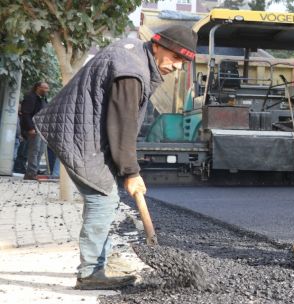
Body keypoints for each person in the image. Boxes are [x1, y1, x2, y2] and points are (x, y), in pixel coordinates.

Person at [34, 25, 197, 290]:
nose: (178, 66)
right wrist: (131, 172)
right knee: (103, 198)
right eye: (176, 58)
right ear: (158, 45)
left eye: (184, 62)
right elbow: (123, 126)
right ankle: (91, 272)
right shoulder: (131, 72)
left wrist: (128, 170)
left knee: (104, 195)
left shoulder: (134, 56)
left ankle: (103, 258)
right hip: (80, 136)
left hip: (82, 131)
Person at [21, 82, 49, 180]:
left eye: (47, 88)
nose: (47, 90)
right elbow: (26, 114)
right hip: (34, 128)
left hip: (42, 129)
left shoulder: (43, 99)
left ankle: (34, 172)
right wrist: (30, 128)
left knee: (40, 151)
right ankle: (31, 174)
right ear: (38, 87)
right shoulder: (31, 97)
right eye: (44, 88)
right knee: (34, 151)